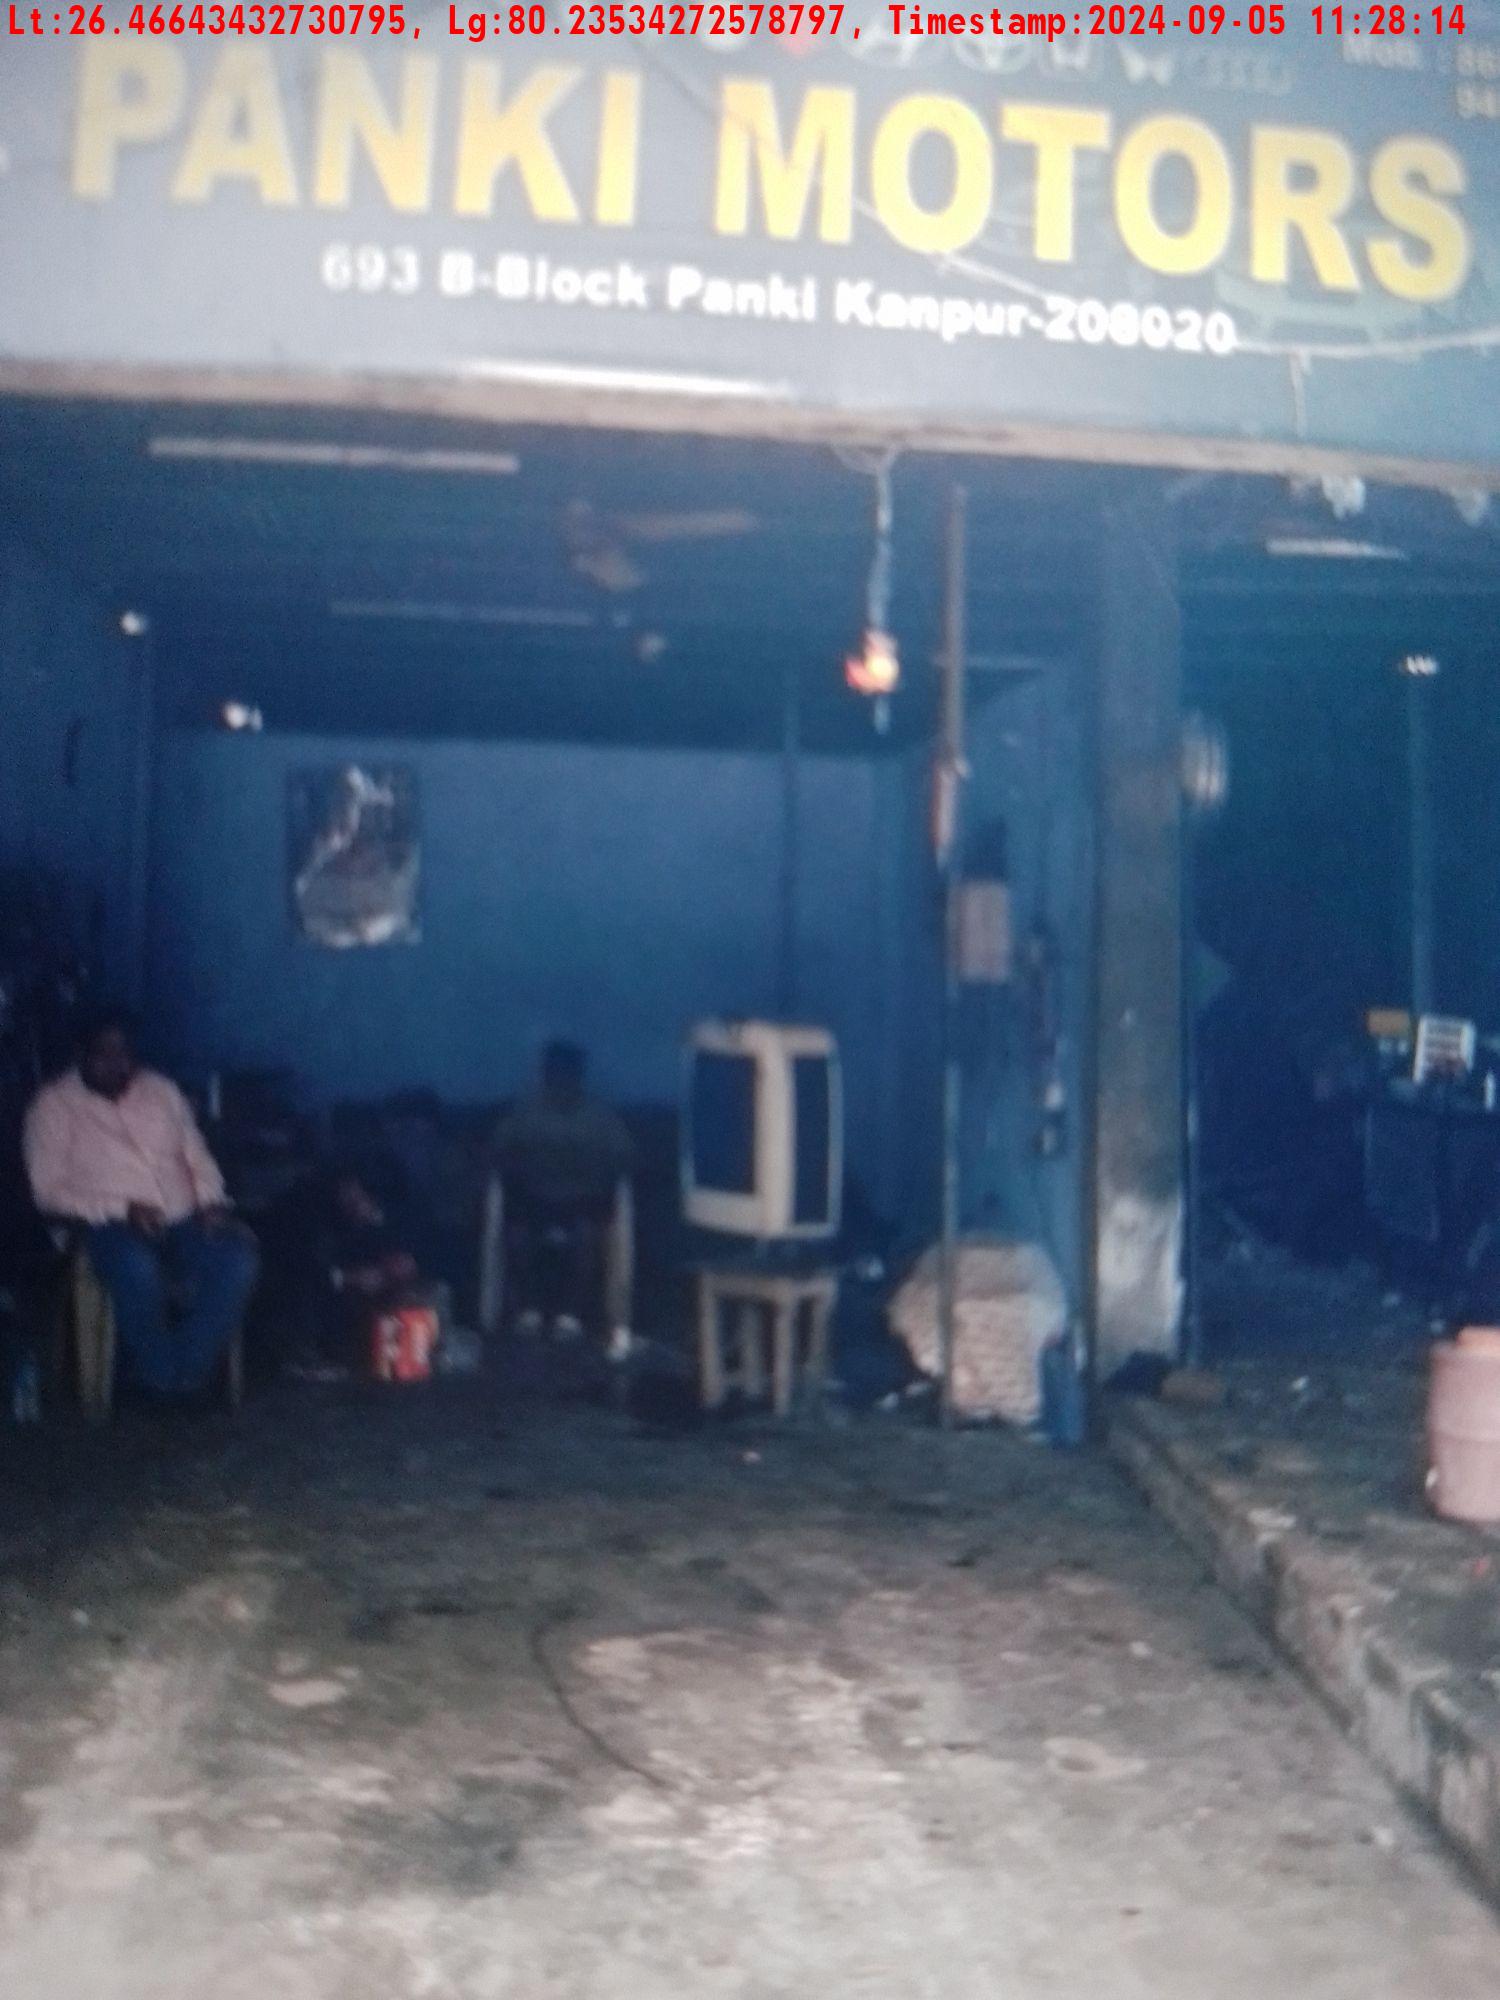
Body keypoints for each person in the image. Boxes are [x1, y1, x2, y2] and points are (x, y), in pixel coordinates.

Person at [23, 1006, 258, 1397]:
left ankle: (172, 1374)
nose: (117, 1065)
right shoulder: (52, 1106)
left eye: (124, 1054)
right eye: (104, 1054)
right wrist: (122, 1209)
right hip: (105, 1226)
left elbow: (195, 1154)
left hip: (183, 1219)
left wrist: (211, 1200)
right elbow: (47, 1193)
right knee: (137, 1268)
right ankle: (171, 1378)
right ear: (81, 1054)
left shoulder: (161, 1091)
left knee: (237, 1260)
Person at [493, 1041, 633, 1340]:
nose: (560, 1080)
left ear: (578, 1076)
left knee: (587, 1236)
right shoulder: (526, 1112)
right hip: (535, 1198)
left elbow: (626, 1158)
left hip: (584, 1200)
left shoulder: (599, 1117)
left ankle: (572, 1313)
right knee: (516, 1236)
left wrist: (594, 1170)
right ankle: (528, 1309)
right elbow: (499, 1151)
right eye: (554, 1073)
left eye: (567, 1073)